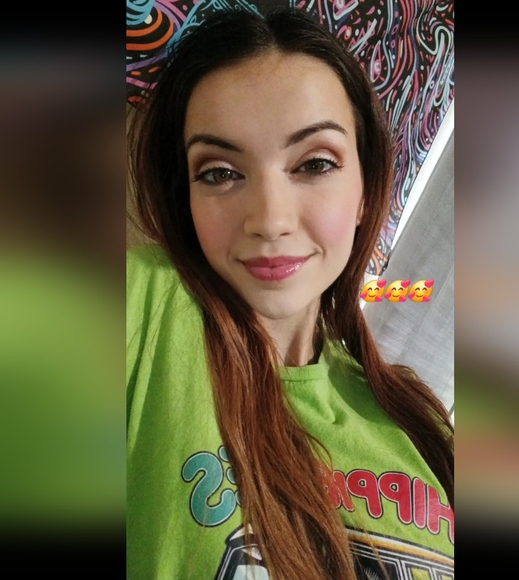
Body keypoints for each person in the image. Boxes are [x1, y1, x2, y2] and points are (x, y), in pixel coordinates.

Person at [127, 8, 453, 580]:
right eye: (219, 172)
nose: (270, 220)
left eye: (315, 163)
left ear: (364, 190)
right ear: (187, 199)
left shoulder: (419, 419)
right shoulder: (145, 305)